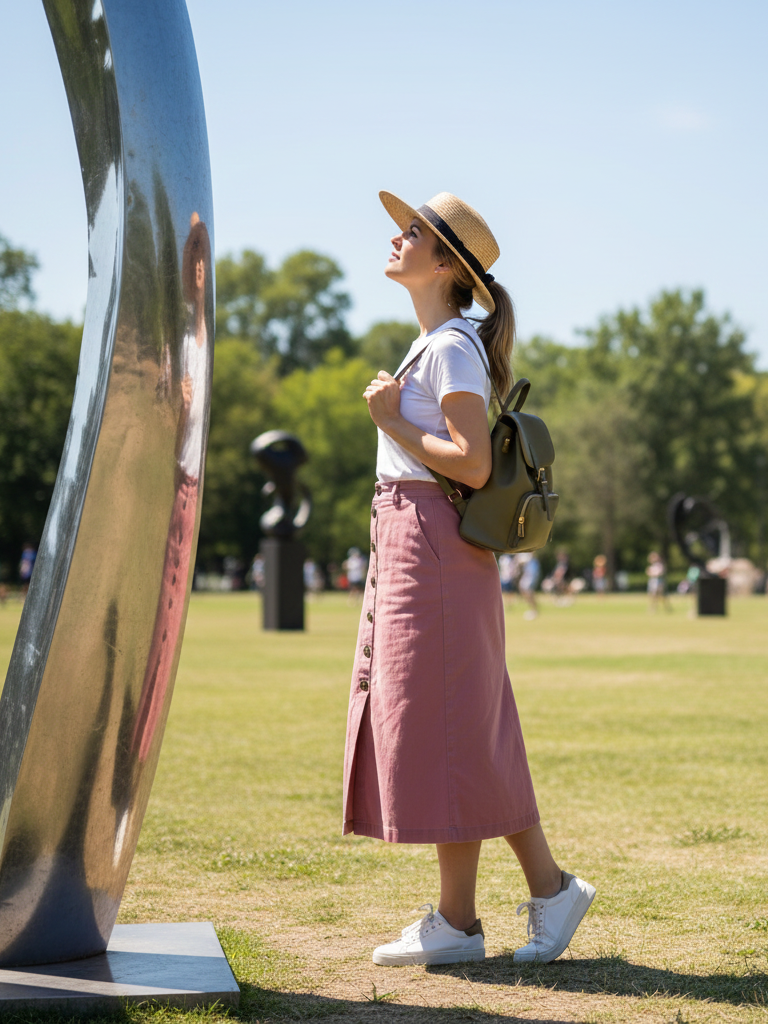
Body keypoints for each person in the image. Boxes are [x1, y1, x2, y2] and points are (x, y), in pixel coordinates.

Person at [343, 191, 595, 968]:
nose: (396, 236)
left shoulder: (451, 346)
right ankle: (458, 920)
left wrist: (391, 420)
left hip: (434, 546)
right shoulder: (440, 343)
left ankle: (548, 891)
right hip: (413, 541)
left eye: (412, 231)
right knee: (448, 725)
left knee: (455, 724)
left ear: (447, 263)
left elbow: (474, 463)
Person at [516, 552, 541, 621]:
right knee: (524, 590)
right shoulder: (523, 554)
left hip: (531, 573)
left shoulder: (529, 555)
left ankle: (534, 609)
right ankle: (533, 609)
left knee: (528, 591)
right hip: (527, 574)